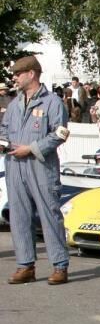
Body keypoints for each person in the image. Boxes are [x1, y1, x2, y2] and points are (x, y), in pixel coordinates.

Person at [2, 55, 70, 285]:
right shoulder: (14, 104)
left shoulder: (52, 102)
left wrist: (31, 148)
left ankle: (60, 266)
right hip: (14, 166)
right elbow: (4, 129)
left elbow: (60, 133)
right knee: (19, 216)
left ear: (31, 74)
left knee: (49, 215)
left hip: (41, 166)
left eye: (18, 74)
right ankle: (25, 265)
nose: (15, 78)